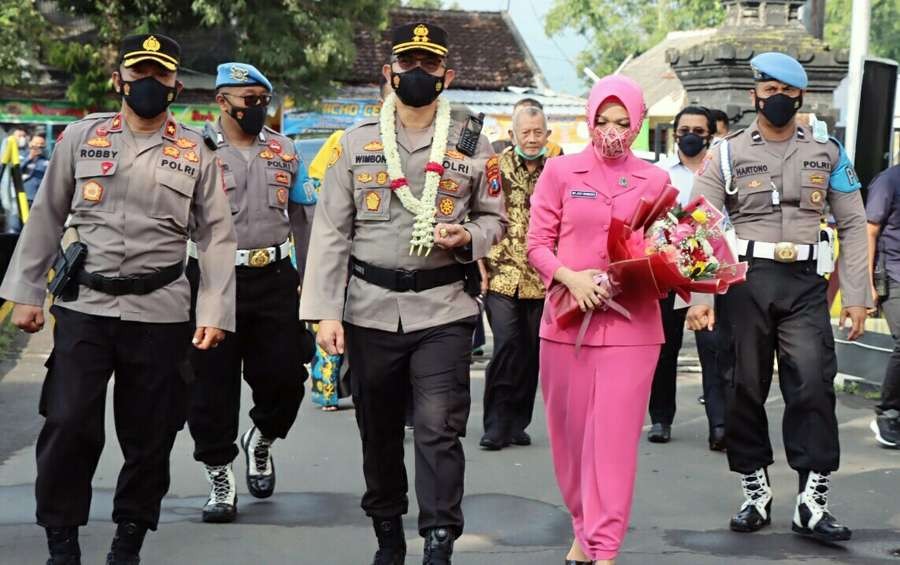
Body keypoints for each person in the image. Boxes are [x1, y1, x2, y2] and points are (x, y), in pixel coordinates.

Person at [0, 33, 236, 565]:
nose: (148, 84)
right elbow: (46, 217)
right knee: (67, 422)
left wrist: (215, 310)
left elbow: (217, 236)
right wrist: (26, 293)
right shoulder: (80, 139)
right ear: (119, 81)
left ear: (175, 85)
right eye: (140, 74)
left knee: (150, 433)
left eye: (160, 75)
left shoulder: (195, 151)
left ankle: (128, 538)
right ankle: (61, 541)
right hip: (85, 306)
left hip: (162, 311)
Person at [300, 22, 506, 565]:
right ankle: (388, 533)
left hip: (443, 308)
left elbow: (496, 219)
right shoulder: (354, 142)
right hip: (368, 310)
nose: (418, 73)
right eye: (408, 64)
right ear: (389, 73)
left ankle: (439, 539)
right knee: (379, 430)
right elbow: (330, 233)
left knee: (439, 427)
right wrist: (325, 314)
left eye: (429, 65)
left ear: (447, 76)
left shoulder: (473, 144)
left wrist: (471, 238)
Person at [686, 52, 869, 543]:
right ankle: (755, 489)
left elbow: (853, 223)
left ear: (800, 97)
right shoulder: (725, 153)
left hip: (807, 282)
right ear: (755, 96)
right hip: (745, 281)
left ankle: (812, 501)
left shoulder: (829, 151)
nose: (778, 101)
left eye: (787, 94)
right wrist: (701, 295)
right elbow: (698, 224)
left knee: (812, 383)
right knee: (744, 385)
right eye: (769, 92)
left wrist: (857, 296)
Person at [528, 75, 671, 565]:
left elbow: (668, 250)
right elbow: (536, 246)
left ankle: (604, 551)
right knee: (569, 446)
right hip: (565, 326)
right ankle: (583, 532)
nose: (612, 131)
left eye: (622, 122)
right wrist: (571, 278)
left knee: (610, 446)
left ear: (637, 123)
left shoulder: (656, 180)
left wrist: (669, 267)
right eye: (603, 121)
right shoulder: (560, 173)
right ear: (589, 119)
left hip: (633, 330)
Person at [186, 62, 311, 523]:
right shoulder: (192, 149)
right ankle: (220, 476)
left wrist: (313, 284)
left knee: (287, 380)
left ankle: (261, 438)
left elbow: (305, 218)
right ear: (222, 101)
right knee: (211, 387)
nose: (258, 108)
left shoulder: (286, 150)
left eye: (263, 100)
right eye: (248, 100)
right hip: (213, 282)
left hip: (275, 279)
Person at [648, 106, 727, 450]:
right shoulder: (660, 176)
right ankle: (661, 419)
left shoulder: (723, 174)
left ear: (710, 134)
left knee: (714, 350)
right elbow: (648, 222)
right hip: (668, 274)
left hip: (708, 274)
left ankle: (720, 425)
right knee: (665, 350)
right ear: (674, 134)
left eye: (699, 129)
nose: (691, 135)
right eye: (684, 129)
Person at [480, 103, 551, 451]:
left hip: (543, 278)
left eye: (538, 132)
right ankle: (495, 424)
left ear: (548, 135)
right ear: (512, 135)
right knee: (507, 345)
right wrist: (477, 260)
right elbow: (476, 212)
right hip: (502, 273)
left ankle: (517, 423)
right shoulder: (494, 169)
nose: (533, 139)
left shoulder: (558, 171)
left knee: (533, 351)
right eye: (526, 132)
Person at [866, 164, 900, 448]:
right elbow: (870, 231)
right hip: (894, 275)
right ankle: (888, 413)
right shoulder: (889, 181)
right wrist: (866, 282)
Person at [22, 135, 49, 208]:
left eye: (42, 144)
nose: (39, 146)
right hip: (23, 196)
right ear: (30, 143)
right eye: (36, 143)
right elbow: (16, 170)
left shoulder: (46, 159)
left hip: (39, 197)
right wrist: (30, 157)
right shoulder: (22, 155)